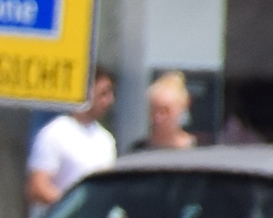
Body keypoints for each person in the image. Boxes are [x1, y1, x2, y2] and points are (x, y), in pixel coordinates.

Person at [27, 69, 117, 208]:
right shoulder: (55, 133)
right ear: (87, 91)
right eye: (103, 93)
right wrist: (74, 207)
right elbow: (38, 187)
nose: (109, 100)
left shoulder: (106, 139)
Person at [128, 72, 196, 153]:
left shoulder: (196, 151)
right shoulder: (137, 151)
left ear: (183, 107)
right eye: (153, 110)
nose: (158, 118)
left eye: (165, 111)